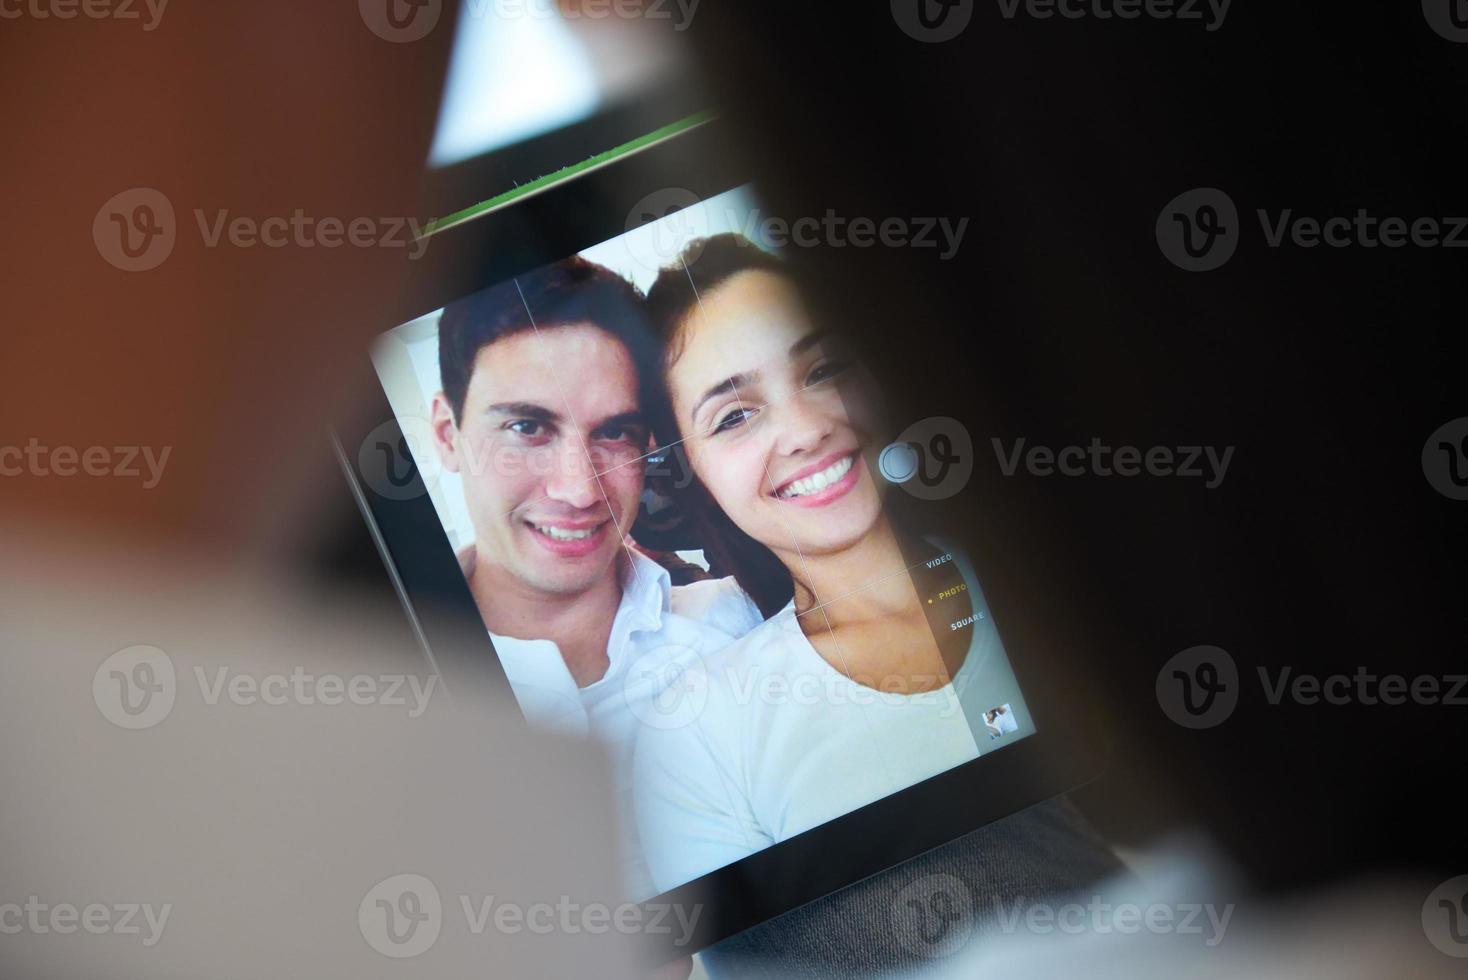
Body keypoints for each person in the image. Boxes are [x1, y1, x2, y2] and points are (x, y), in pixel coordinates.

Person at [631, 235, 1030, 892]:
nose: (806, 429)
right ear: (693, 471)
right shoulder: (700, 734)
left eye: (823, 370)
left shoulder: (1039, 569)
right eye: (734, 416)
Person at [428, 255, 762, 898]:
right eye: (527, 427)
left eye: (615, 434)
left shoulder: (739, 625)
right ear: (448, 434)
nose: (580, 489)